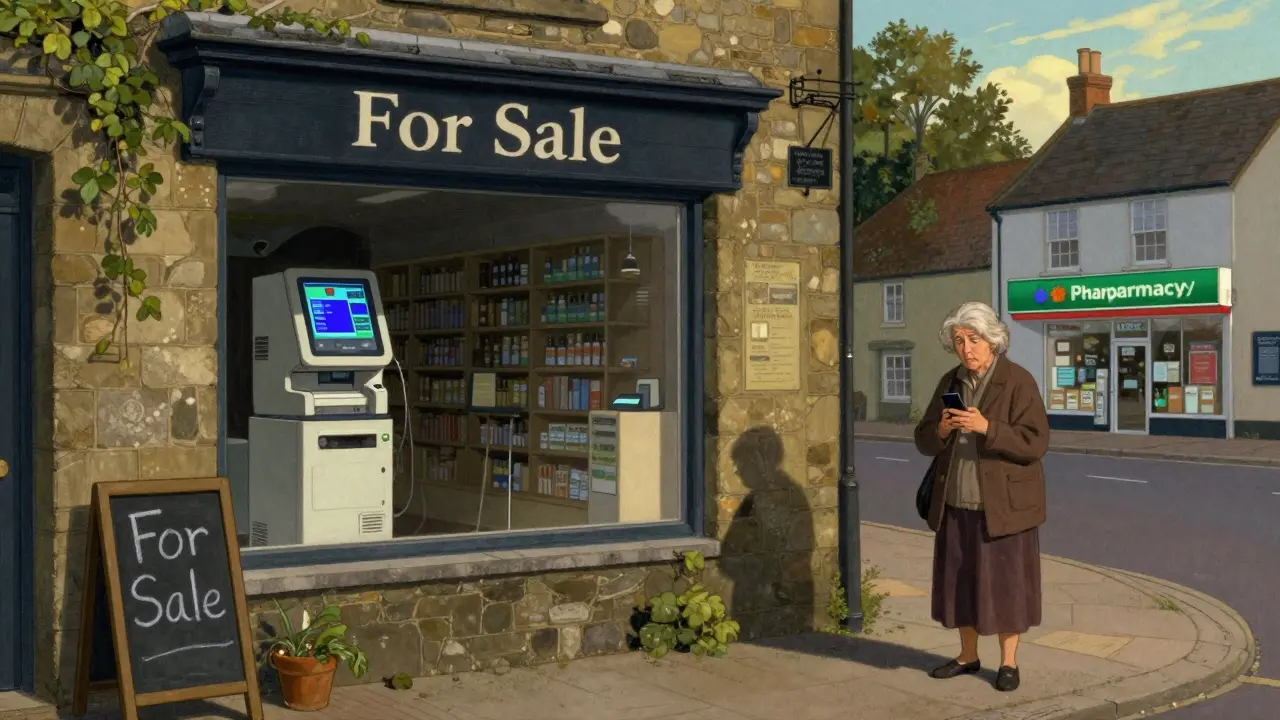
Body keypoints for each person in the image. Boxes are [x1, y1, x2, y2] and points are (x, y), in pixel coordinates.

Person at [913, 301, 1050, 693]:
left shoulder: (1018, 381)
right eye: (959, 341)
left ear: (993, 340)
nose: (966, 349)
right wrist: (941, 427)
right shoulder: (949, 382)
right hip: (955, 502)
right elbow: (924, 440)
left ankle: (1008, 663)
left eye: (974, 339)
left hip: (1005, 509)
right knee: (960, 584)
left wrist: (987, 426)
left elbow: (1036, 442)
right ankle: (967, 656)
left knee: (1007, 587)